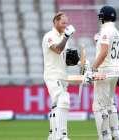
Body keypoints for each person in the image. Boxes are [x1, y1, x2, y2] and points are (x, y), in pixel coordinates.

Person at [42, 12, 75, 140]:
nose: (65, 26)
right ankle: (61, 136)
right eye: (63, 23)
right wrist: (66, 36)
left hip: (62, 75)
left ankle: (52, 135)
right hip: (52, 74)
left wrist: (78, 62)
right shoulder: (49, 36)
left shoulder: (63, 37)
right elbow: (57, 50)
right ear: (55, 21)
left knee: (57, 105)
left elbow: (65, 59)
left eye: (66, 24)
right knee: (64, 99)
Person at [92, 6, 119, 140]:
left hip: (104, 71)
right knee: (110, 103)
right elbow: (112, 53)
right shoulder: (116, 31)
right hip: (115, 70)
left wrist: (92, 69)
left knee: (99, 106)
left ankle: (105, 137)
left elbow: (104, 53)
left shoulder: (105, 31)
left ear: (102, 17)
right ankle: (116, 134)